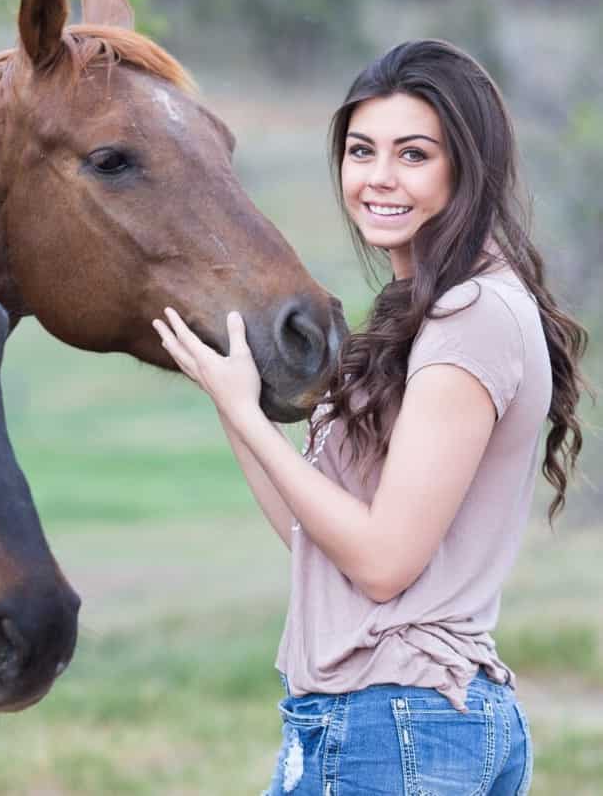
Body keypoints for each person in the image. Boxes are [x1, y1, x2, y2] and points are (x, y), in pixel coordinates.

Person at [153, 39, 588, 795]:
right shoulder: (429, 310)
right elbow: (313, 538)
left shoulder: (471, 314)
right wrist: (233, 399)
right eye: (361, 151)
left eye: (413, 155)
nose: (378, 179)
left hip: (399, 726)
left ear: (466, 168)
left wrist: (245, 415)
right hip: (385, 724)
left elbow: (384, 564)